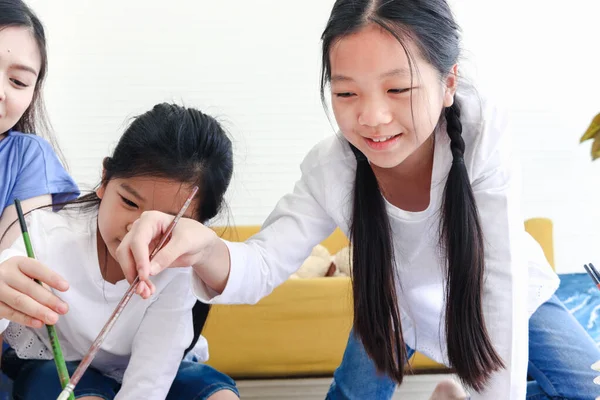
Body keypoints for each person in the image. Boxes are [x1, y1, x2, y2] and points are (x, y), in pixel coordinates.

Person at [0, 103, 239, 400]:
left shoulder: (183, 261)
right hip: (60, 371)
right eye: (129, 202)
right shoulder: (45, 235)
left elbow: (149, 381)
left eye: (166, 222)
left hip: (165, 370)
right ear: (104, 180)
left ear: (198, 227)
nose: (137, 229)